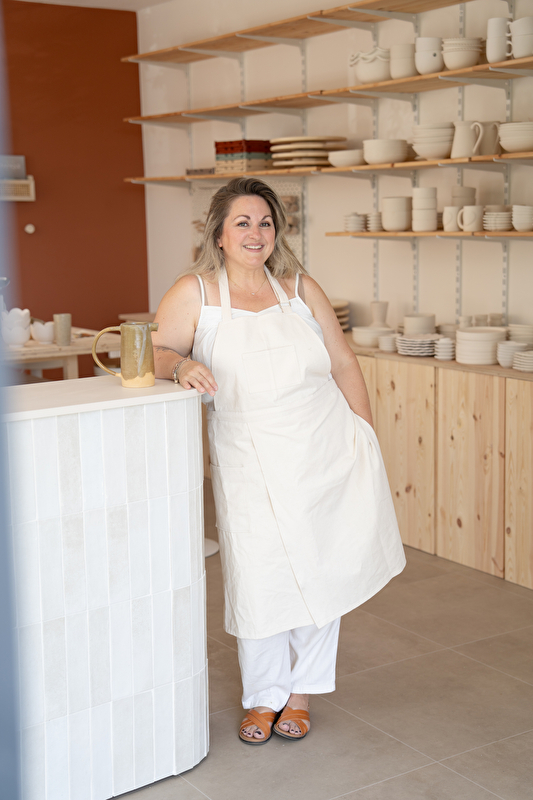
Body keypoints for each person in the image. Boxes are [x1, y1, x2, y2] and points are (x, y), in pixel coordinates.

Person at [152, 177, 406, 745]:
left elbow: (343, 362)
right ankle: (263, 697)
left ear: (277, 232)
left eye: (265, 222)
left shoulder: (299, 287)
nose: (255, 233)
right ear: (219, 233)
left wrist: (364, 435)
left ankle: (301, 694)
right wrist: (180, 365)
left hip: (324, 448)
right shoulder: (196, 293)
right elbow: (155, 349)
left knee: (322, 568)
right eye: (242, 222)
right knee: (259, 576)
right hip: (248, 460)